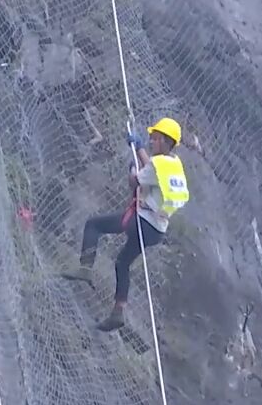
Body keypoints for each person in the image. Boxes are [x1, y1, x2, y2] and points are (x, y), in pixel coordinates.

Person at [61, 117, 189, 331]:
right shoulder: (174, 165)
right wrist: (138, 149)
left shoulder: (159, 165)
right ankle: (118, 312)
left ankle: (85, 269)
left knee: (94, 225)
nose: (153, 142)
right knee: (122, 263)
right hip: (157, 230)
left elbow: (135, 182)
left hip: (141, 221)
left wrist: (132, 169)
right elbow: (153, 171)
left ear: (167, 141)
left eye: (156, 139)